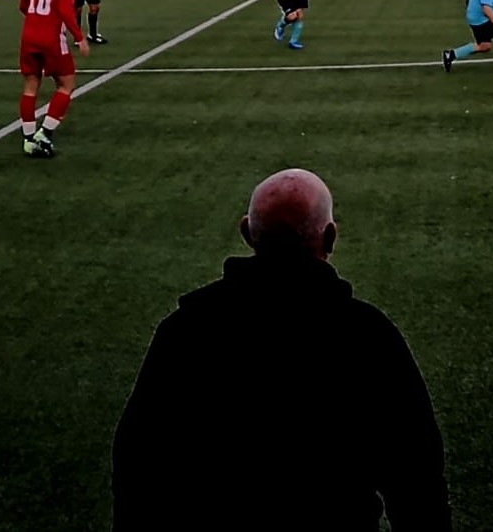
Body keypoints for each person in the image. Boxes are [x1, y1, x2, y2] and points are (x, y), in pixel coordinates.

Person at [112, 168, 452, 531]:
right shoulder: (369, 335)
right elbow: (417, 476)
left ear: (247, 233)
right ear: (330, 238)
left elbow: (138, 460)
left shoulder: (185, 331)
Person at [18, 0, 91, 158]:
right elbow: (66, 11)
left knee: (30, 86)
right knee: (66, 84)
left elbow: (23, 6)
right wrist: (80, 37)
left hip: (28, 37)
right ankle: (45, 132)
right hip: (51, 38)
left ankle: (28, 139)